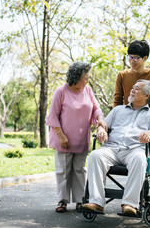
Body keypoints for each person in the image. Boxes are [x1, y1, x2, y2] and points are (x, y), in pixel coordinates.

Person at [82, 80, 150, 215]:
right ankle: (96, 202)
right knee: (95, 155)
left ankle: (130, 204)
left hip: (133, 150)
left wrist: (148, 133)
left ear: (147, 95)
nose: (132, 90)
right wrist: (101, 129)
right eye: (133, 87)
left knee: (139, 159)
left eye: (136, 89)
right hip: (112, 148)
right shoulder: (117, 110)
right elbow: (103, 124)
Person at [46, 62, 107, 213]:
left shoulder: (87, 90)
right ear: (76, 77)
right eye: (85, 78)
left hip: (81, 138)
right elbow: (53, 115)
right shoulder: (61, 91)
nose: (87, 81)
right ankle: (62, 201)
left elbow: (95, 107)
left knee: (79, 170)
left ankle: (80, 200)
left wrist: (100, 118)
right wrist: (61, 135)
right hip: (64, 139)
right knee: (63, 171)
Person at [114, 39, 150, 111]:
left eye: (136, 58)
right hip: (126, 116)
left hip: (146, 116)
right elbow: (118, 100)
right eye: (130, 57)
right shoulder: (122, 75)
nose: (132, 61)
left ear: (145, 58)